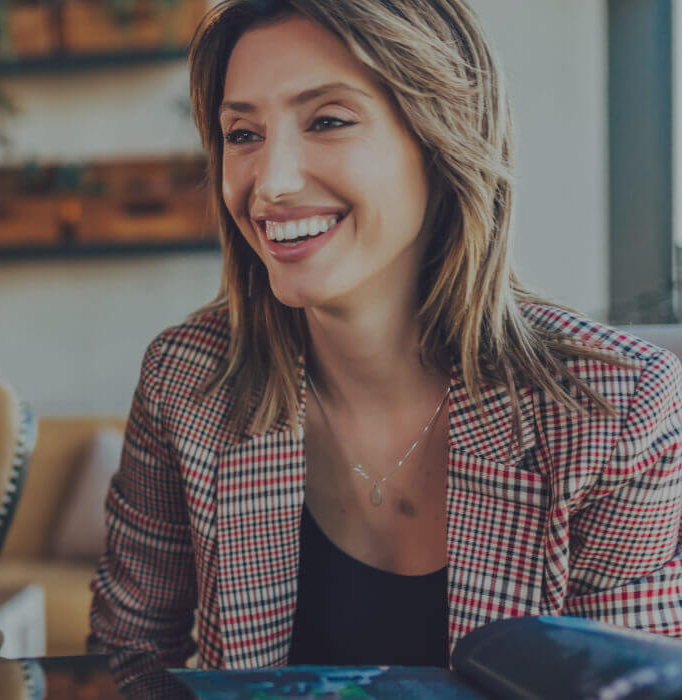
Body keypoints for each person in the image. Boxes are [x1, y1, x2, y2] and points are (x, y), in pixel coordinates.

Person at [89, 0, 682, 692]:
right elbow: (123, 665)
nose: (270, 183)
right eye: (243, 133)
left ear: (441, 137)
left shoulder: (613, 409)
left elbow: (628, 690)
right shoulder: (188, 379)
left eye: (329, 121)